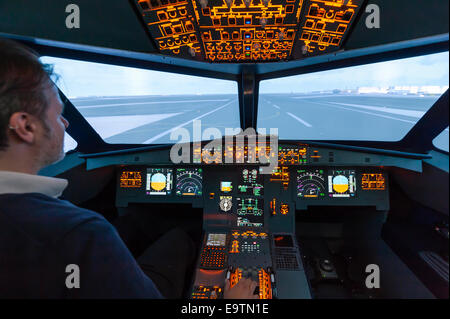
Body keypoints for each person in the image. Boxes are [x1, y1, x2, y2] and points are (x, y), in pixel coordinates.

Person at [0, 38, 257, 299]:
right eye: (57, 115)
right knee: (180, 239)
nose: (65, 123)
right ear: (25, 126)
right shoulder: (81, 233)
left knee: (143, 226)